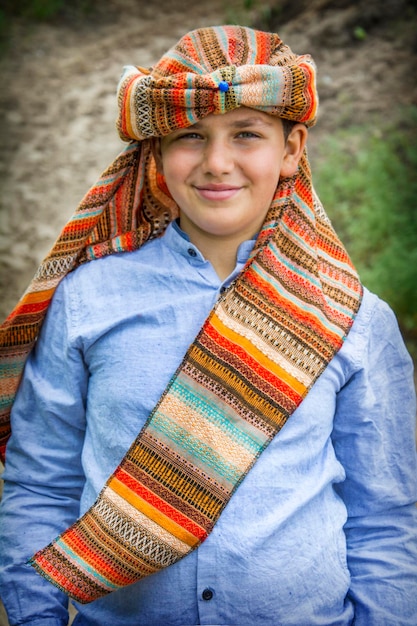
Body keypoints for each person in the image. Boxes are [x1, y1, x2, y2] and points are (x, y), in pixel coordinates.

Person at [0, 24, 416, 626]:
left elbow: (385, 521)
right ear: (157, 154)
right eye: (190, 136)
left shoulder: (351, 315)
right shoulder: (88, 299)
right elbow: (41, 487)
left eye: (246, 134)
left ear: (293, 149)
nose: (217, 163)